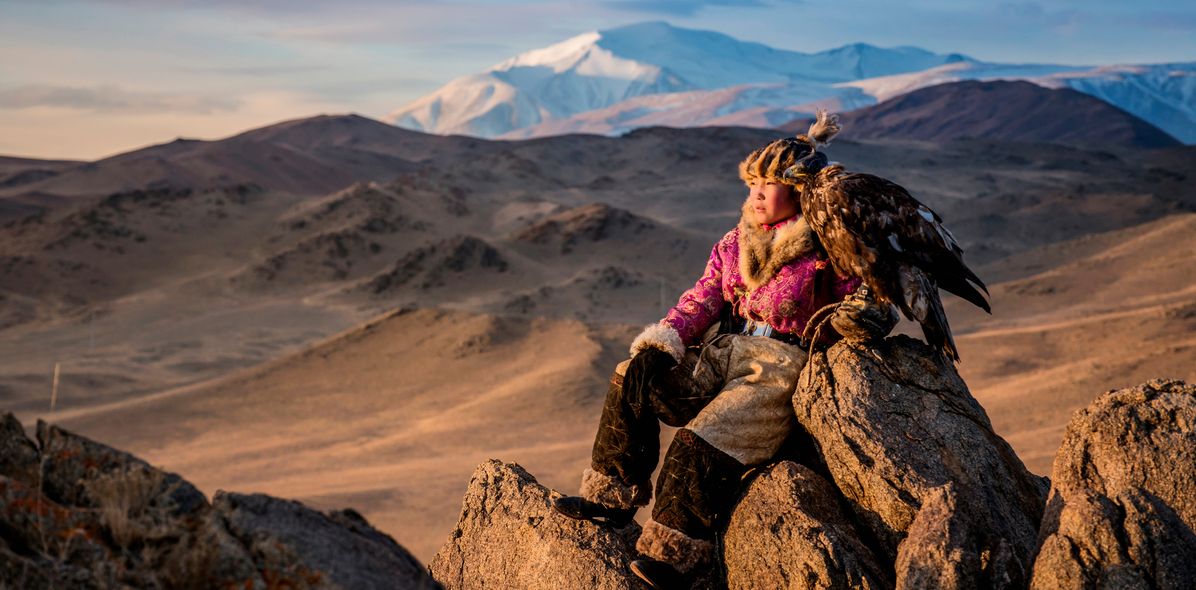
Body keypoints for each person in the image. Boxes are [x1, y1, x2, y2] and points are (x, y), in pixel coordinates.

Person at [553, 126, 892, 588]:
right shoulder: (735, 241)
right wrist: (664, 340)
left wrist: (851, 321)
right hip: (723, 349)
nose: (755, 195)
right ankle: (611, 497)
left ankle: (676, 560)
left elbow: (870, 301)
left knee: (700, 443)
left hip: (776, 368)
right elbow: (706, 295)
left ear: (799, 191)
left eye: (767, 186)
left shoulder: (830, 248)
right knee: (632, 375)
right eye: (751, 185)